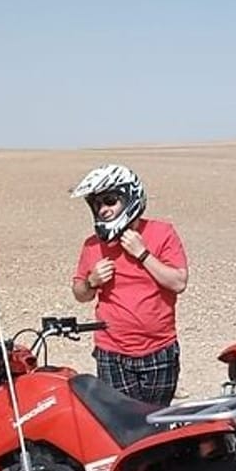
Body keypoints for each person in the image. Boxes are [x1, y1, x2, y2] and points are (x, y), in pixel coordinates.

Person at [69, 164, 189, 406]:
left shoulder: (162, 233)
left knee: (155, 421)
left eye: (110, 201)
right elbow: (80, 294)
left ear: (129, 197)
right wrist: (92, 281)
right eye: (97, 204)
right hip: (112, 352)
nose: (103, 210)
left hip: (159, 350)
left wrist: (142, 253)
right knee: (120, 422)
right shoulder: (93, 245)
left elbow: (178, 282)